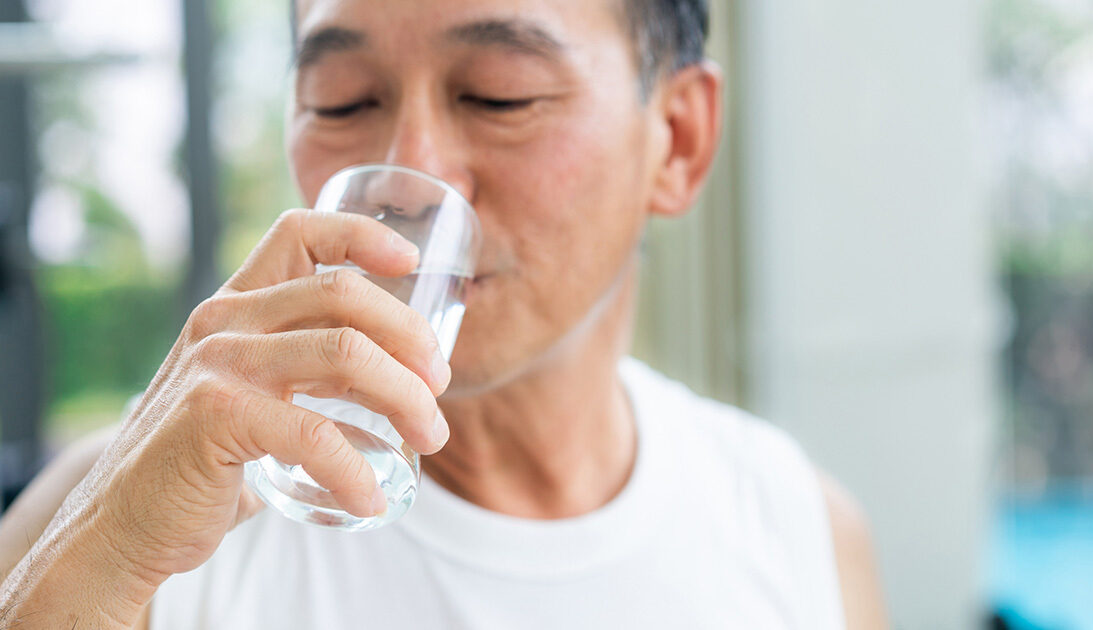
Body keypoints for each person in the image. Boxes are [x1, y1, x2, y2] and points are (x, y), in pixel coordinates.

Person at [0, 0, 889, 627]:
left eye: (501, 94)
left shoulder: (795, 530)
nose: (413, 174)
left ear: (680, 140)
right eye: (341, 100)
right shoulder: (130, 514)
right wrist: (95, 568)